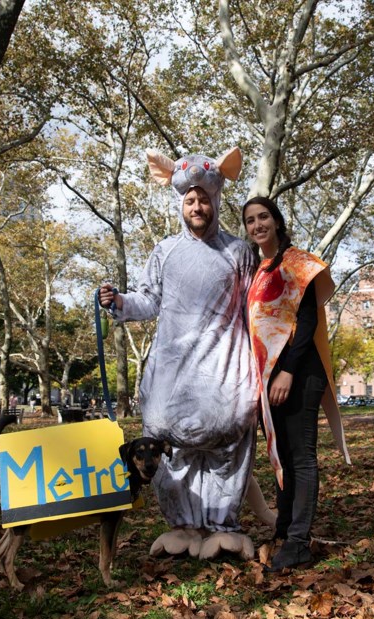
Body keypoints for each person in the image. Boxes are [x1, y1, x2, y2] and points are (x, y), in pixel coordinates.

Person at [99, 147, 266, 560]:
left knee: (227, 446)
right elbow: (148, 300)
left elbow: (257, 308)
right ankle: (184, 525)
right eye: (190, 200)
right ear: (181, 204)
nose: (197, 206)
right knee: (171, 445)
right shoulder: (164, 251)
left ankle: (223, 526)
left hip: (224, 368)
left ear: (216, 201)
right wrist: (118, 300)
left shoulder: (239, 253)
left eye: (204, 198)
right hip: (171, 371)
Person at [243, 196, 350, 571]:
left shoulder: (297, 263)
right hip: (268, 377)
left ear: (276, 220)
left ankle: (299, 542)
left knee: (301, 456)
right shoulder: (258, 270)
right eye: (251, 220)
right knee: (282, 454)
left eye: (264, 217)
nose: (258, 225)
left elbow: (307, 321)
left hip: (300, 371)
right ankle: (285, 530)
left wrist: (287, 369)